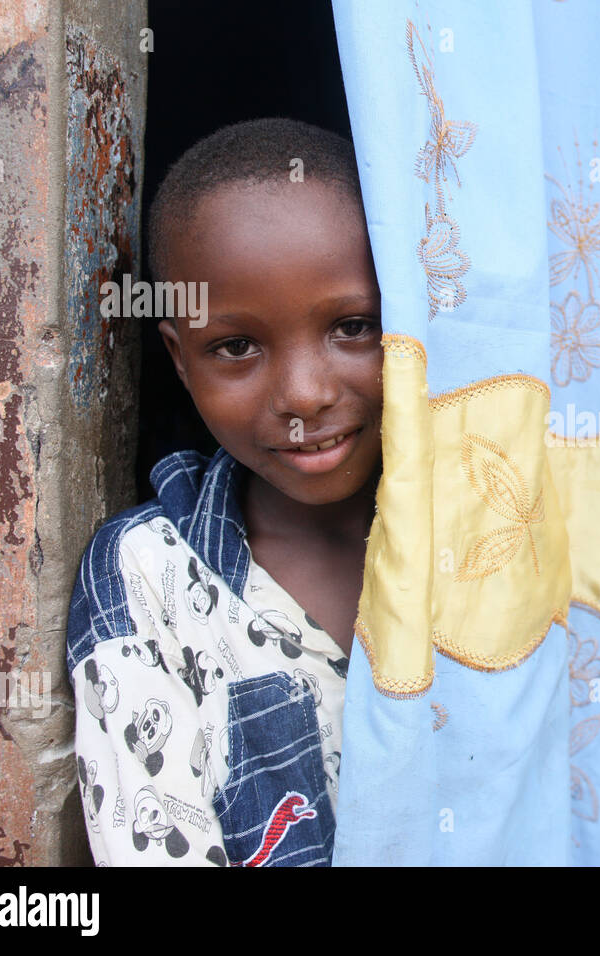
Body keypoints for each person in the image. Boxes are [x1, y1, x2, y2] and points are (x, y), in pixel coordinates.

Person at [66, 118, 383, 866]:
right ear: (180, 360)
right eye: (235, 347)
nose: (304, 395)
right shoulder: (149, 579)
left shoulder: (493, 528)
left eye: (353, 326)